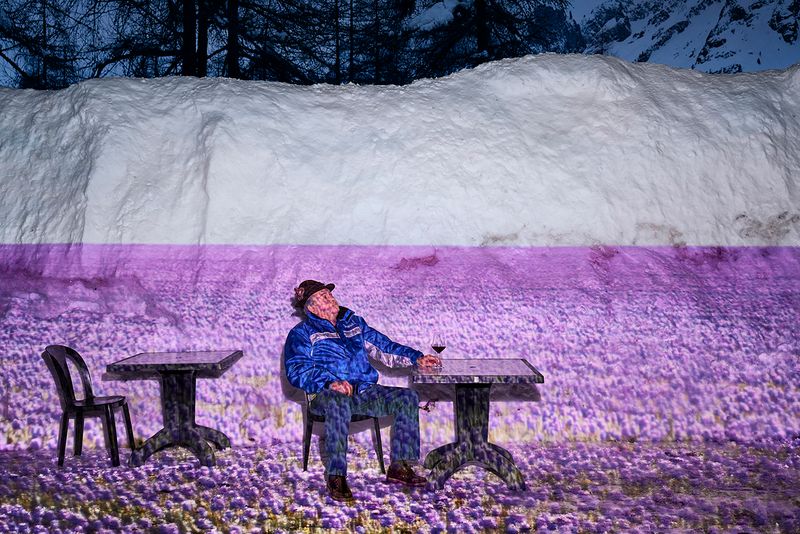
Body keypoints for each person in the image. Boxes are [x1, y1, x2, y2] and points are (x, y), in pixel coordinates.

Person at [284, 279, 442, 502]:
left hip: (365, 392)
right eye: (322, 296)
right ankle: (336, 476)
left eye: (329, 293)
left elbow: (383, 346)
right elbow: (297, 369)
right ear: (310, 307)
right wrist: (330, 382)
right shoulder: (301, 333)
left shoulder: (353, 323)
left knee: (407, 397)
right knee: (337, 404)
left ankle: (400, 465)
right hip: (326, 395)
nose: (330, 297)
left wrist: (416, 357)